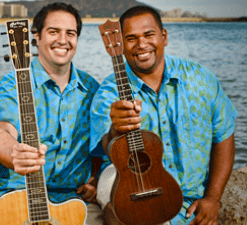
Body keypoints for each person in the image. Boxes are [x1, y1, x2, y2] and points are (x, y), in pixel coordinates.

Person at [90, 5, 238, 225]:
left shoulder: (200, 80)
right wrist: (115, 129)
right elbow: (106, 148)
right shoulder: (108, 93)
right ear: (120, 45)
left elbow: (224, 136)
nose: (142, 44)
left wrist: (213, 198)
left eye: (149, 34)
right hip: (132, 193)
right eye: (131, 38)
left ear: (164, 37)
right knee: (120, 209)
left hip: (190, 204)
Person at [0, 2, 104, 224]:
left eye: (70, 33)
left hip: (74, 202)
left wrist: (96, 180)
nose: (62, 40)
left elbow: (102, 146)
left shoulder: (92, 89)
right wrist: (15, 154)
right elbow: (1, 131)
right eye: (53, 32)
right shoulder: (13, 83)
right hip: (17, 198)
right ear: (36, 37)